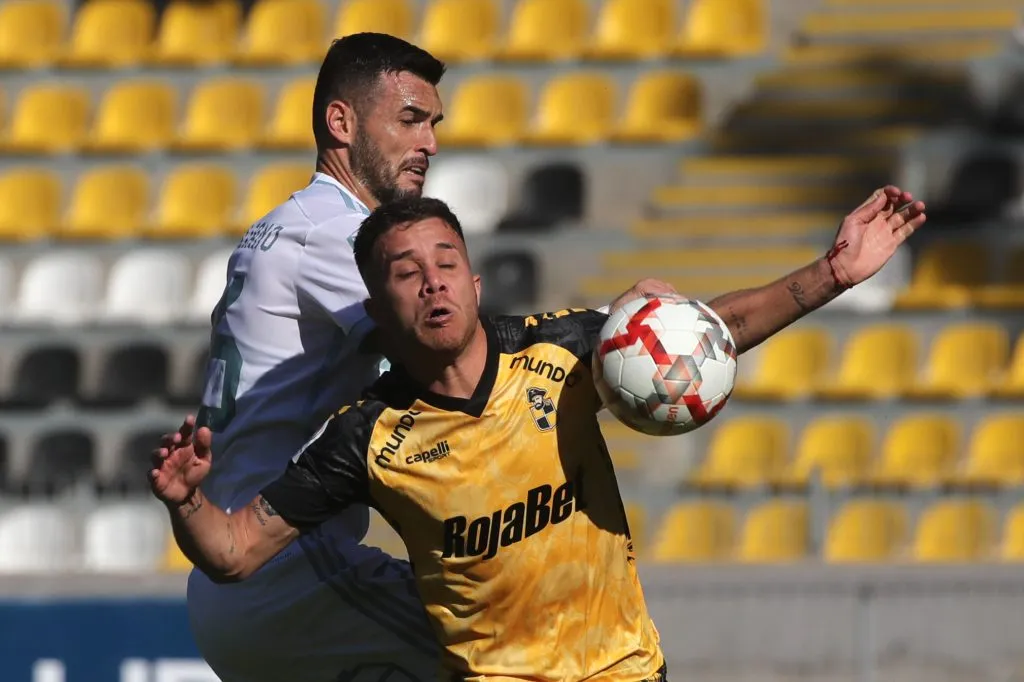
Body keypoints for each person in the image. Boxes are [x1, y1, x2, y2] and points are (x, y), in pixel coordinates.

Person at [152, 186, 926, 680]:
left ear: (475, 281)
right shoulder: (365, 436)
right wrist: (187, 503)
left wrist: (831, 275)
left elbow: (709, 332)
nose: (433, 282)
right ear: (379, 311)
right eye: (406, 272)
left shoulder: (560, 349)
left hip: (625, 671)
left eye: (446, 261)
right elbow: (234, 552)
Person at [185, 33, 446, 682]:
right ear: (341, 122)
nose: (430, 145)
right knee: (512, 645)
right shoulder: (337, 233)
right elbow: (444, 356)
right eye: (411, 119)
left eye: (435, 124)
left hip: (238, 576)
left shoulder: (289, 223)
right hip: (289, 571)